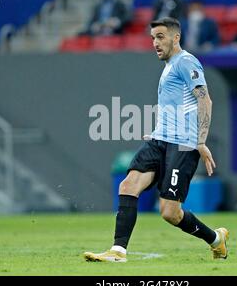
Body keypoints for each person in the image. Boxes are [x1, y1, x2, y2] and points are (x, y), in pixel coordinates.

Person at [84, 17, 229, 263]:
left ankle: (216, 239)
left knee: (170, 212)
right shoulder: (169, 66)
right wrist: (158, 130)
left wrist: (201, 141)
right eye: (152, 38)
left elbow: (205, 100)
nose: (155, 43)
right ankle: (118, 251)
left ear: (176, 37)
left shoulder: (187, 62)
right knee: (128, 185)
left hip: (183, 144)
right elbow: (177, 106)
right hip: (159, 141)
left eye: (160, 37)